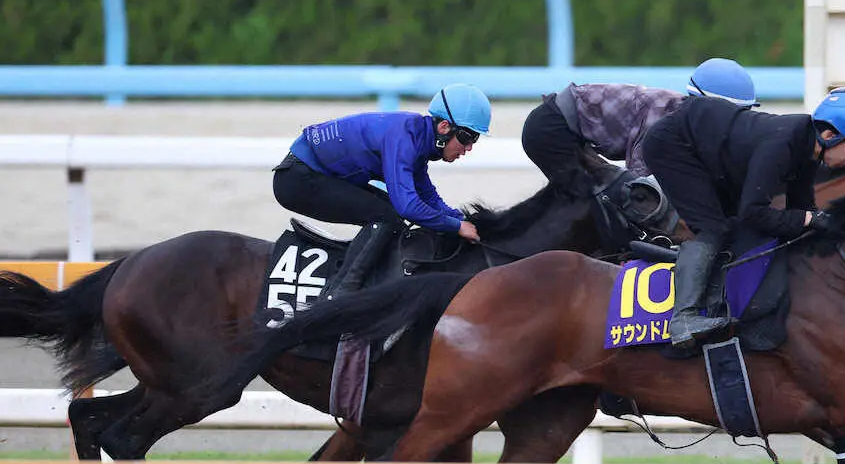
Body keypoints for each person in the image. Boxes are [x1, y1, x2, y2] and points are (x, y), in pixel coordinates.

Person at [642, 85, 845, 347]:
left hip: (707, 150)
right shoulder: (781, 146)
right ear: (829, 135)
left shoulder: (807, 150)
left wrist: (830, 223)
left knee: (731, 227)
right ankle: (683, 320)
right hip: (673, 145)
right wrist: (809, 220)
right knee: (713, 228)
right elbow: (754, 213)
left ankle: (713, 308)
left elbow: (802, 208)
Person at [272, 83, 492, 298]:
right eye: (466, 137)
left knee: (390, 215)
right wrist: (456, 226)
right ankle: (338, 297)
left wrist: (463, 219)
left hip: (315, 173)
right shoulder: (404, 138)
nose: (469, 147)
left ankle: (361, 281)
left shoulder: (417, 137)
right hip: (297, 180)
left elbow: (427, 197)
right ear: (444, 127)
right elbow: (408, 206)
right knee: (385, 217)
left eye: (475, 138)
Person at [520, 57, 759, 203]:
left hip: (565, 127)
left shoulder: (682, 116)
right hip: (550, 129)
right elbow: (638, 183)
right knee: (600, 203)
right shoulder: (662, 117)